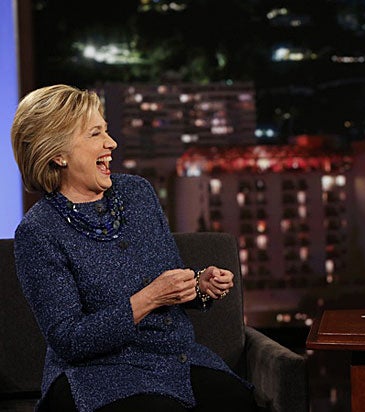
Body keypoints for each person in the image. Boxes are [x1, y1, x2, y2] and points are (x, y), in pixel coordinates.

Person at [11, 84, 260, 412]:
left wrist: (200, 285)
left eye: (106, 130)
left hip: (172, 359)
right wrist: (149, 299)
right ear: (58, 154)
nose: (111, 142)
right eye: (95, 133)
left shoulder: (137, 193)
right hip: (96, 373)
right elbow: (70, 339)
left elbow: (170, 280)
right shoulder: (38, 232)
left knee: (238, 400)